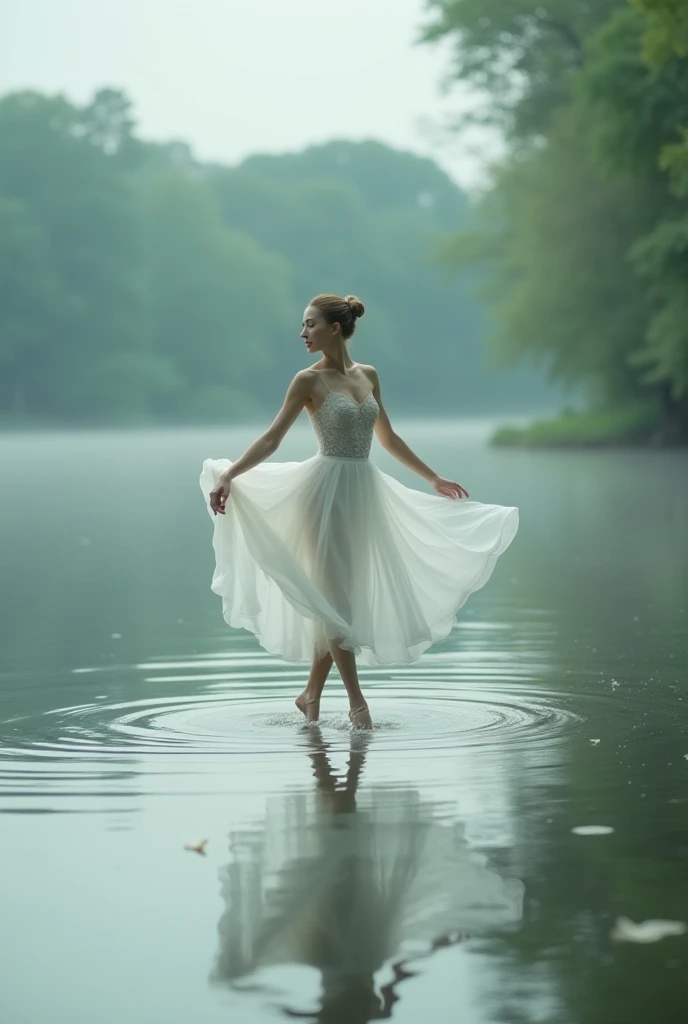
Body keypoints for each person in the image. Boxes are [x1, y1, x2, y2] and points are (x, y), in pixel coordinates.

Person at [200, 294, 518, 730]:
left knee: (340, 603)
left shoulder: (368, 375)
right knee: (336, 603)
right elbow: (273, 438)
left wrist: (432, 478)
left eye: (310, 324)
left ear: (335, 327)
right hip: (324, 496)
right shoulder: (306, 381)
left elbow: (387, 438)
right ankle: (358, 707)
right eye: (303, 324)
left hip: (364, 494)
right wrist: (230, 474)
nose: (302, 332)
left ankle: (310, 695)